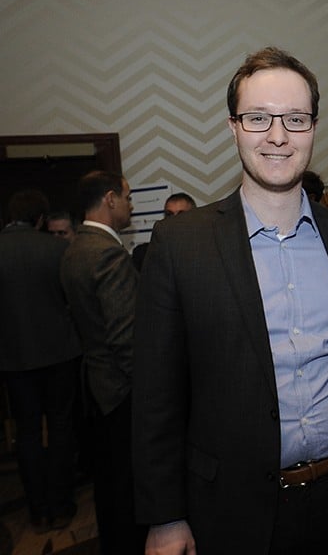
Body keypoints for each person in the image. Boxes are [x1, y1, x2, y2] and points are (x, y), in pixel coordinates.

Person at [132, 46, 328, 555]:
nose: (277, 136)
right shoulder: (180, 245)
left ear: (313, 127)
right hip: (236, 509)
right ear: (233, 127)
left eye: (295, 118)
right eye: (258, 118)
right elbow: (156, 395)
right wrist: (165, 516)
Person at [60, 171, 146, 554]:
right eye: (127, 197)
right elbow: (126, 339)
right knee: (126, 486)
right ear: (110, 199)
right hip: (120, 390)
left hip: (96, 384)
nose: (131, 205)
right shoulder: (107, 253)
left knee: (110, 484)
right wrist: (148, 394)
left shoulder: (76, 247)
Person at [0, 190, 82, 531]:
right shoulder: (58, 249)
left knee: (28, 432)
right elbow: (73, 301)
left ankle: (37, 510)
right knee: (61, 428)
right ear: (40, 219)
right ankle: (61, 505)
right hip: (60, 354)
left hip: (13, 358)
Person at [132, 192, 196, 271]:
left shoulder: (203, 252)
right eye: (169, 215)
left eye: (181, 215)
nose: (174, 220)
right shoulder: (144, 254)